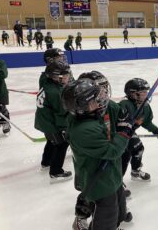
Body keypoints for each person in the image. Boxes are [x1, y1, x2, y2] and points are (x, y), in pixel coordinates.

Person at [62, 78, 131, 230]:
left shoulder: (90, 114)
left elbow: (114, 109)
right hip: (99, 181)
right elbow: (113, 151)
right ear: (83, 106)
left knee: (119, 209)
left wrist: (126, 115)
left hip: (111, 175)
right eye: (96, 99)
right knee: (107, 216)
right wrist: (124, 132)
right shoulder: (85, 130)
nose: (101, 100)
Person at [118, 78, 158, 183]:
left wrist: (157, 131)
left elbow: (146, 122)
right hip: (119, 134)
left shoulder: (145, 107)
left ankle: (135, 171)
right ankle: (117, 182)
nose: (145, 95)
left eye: (146, 93)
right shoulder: (124, 105)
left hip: (130, 133)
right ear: (132, 94)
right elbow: (117, 124)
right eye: (142, 93)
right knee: (124, 155)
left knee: (138, 148)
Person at [34, 55, 73, 183]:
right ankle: (56, 172)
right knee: (61, 143)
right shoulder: (56, 92)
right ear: (56, 76)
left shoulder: (49, 84)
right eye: (65, 76)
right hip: (50, 124)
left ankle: (46, 162)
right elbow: (61, 113)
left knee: (52, 141)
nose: (68, 77)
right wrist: (64, 128)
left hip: (44, 121)